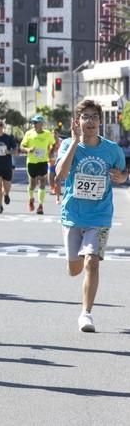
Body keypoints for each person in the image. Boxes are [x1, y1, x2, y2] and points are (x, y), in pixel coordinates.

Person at [55, 100, 127, 332]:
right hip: (73, 214)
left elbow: (123, 175)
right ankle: (73, 262)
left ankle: (86, 314)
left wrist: (120, 177)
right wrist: (75, 142)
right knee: (74, 268)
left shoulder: (112, 149)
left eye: (95, 116)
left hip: (100, 215)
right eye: (85, 117)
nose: (91, 121)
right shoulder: (67, 145)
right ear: (77, 122)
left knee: (92, 263)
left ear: (100, 121)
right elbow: (60, 174)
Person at [21, 115, 56, 214]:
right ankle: (31, 198)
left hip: (43, 161)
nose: (34, 124)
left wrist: (50, 152)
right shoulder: (29, 133)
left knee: (42, 182)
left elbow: (53, 143)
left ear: (41, 124)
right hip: (31, 162)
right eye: (33, 123)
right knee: (32, 184)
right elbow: (22, 146)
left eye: (36, 123)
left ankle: (40, 205)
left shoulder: (47, 134)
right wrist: (28, 149)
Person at [48, 128, 62, 204]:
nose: (54, 135)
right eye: (52, 133)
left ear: (58, 134)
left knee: (57, 180)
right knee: (50, 180)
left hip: (59, 163)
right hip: (51, 163)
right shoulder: (49, 141)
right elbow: (46, 152)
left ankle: (57, 198)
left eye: (55, 133)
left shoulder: (61, 142)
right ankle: (53, 189)